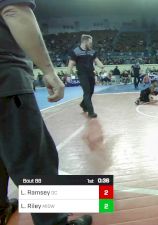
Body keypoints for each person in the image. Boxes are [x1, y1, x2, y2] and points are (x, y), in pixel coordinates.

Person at [0, 1, 92, 225]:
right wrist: (49, 71)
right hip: (5, 78)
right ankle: (54, 222)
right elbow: (14, 11)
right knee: (35, 158)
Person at [68, 34, 105, 118]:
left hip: (91, 74)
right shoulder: (75, 51)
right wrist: (68, 74)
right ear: (85, 41)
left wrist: (102, 67)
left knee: (91, 92)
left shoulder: (92, 51)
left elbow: (96, 60)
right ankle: (91, 112)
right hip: (82, 75)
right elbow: (71, 63)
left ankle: (83, 104)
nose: (91, 44)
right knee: (87, 92)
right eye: (90, 42)